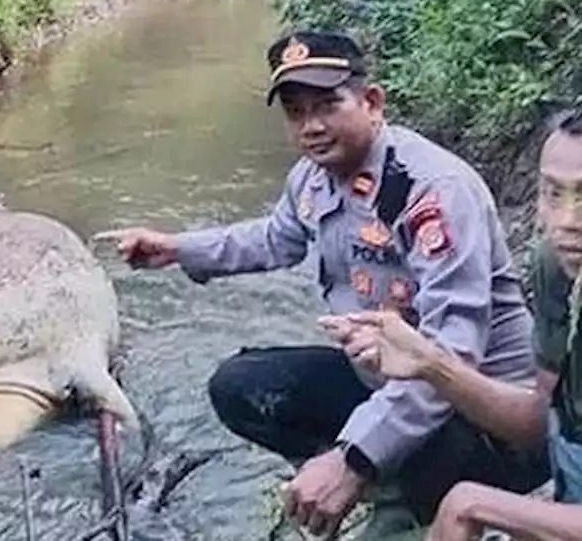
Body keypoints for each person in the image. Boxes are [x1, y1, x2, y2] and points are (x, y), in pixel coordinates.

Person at [106, 30, 550, 537]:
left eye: (327, 105)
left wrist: (353, 459)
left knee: (388, 463)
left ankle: (396, 490)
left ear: (372, 101)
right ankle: (380, 477)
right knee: (242, 386)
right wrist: (177, 248)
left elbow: (451, 355)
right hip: (388, 381)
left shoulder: (430, 191)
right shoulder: (313, 178)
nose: (311, 126)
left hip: (486, 419)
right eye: (296, 112)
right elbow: (275, 238)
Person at [322, 108, 582, 540]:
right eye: (553, 194)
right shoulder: (556, 268)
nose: (568, 221)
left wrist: (475, 504)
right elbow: (540, 421)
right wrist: (431, 364)